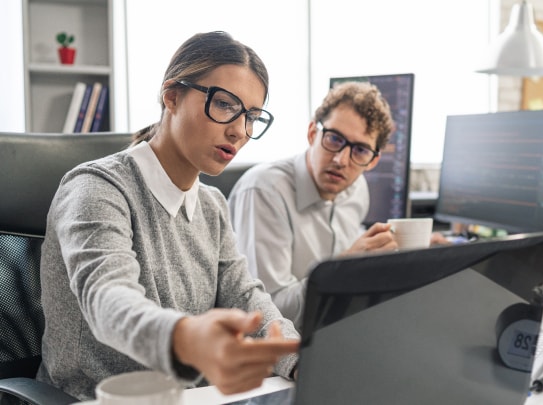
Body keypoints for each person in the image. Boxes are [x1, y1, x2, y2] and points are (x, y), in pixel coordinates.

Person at [36, 31, 299, 401]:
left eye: (252, 116)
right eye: (225, 105)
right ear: (172, 96)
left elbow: (245, 295)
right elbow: (109, 300)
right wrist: (185, 339)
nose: (239, 131)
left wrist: (298, 356)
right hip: (94, 398)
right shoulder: (97, 188)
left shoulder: (211, 205)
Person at [228, 81, 404, 328]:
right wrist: (342, 270)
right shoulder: (264, 190)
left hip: (333, 328)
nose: (341, 160)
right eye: (334, 139)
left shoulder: (356, 188)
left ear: (372, 162)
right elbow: (264, 314)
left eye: (361, 150)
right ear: (312, 133)